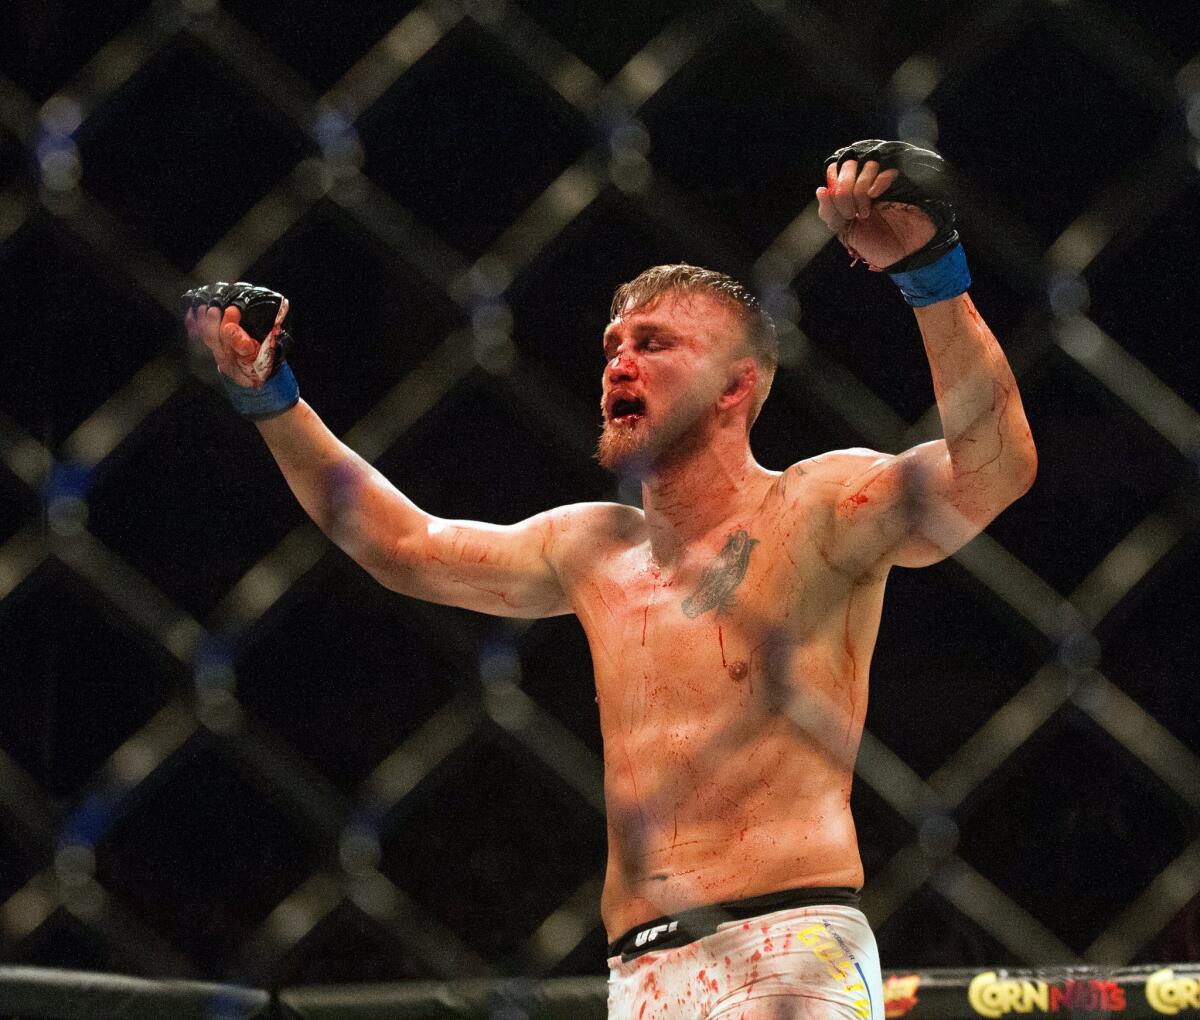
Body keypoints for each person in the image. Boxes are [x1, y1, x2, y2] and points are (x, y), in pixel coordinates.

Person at [184, 141, 1036, 1019]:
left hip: (787, 944)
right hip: (638, 971)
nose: (618, 364)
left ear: (735, 384)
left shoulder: (816, 508)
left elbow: (993, 467)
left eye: (655, 344)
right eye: (612, 346)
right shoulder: (591, 550)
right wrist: (270, 399)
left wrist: (931, 277)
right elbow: (402, 545)